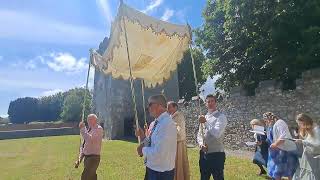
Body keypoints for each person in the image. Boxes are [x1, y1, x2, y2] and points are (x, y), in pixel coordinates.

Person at [136, 94, 177, 180]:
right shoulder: (155, 123)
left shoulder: (167, 124)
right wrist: (142, 135)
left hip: (161, 173)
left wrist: (142, 150)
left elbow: (159, 153)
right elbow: (151, 142)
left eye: (150, 104)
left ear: (159, 106)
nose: (148, 107)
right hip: (153, 168)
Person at [197, 94, 228, 180]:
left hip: (216, 154)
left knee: (218, 177)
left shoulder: (221, 117)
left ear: (215, 103)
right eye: (208, 102)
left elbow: (217, 133)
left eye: (212, 101)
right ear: (206, 104)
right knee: (204, 177)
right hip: (204, 154)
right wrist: (200, 144)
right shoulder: (204, 117)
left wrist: (205, 122)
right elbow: (199, 134)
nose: (210, 103)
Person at [263, 112, 298, 180]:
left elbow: (283, 136)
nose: (266, 122)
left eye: (266, 120)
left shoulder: (280, 123)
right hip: (276, 151)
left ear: (269, 119)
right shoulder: (271, 125)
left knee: (289, 170)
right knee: (277, 171)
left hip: (285, 150)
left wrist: (275, 144)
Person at [167, 101, 190, 180]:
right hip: (172, 144)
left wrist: (172, 125)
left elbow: (179, 130)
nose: (168, 109)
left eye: (170, 107)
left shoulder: (179, 116)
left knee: (178, 164)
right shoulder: (170, 116)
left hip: (178, 143)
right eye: (167, 107)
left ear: (175, 107)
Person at [293, 113, 320, 180]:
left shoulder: (316, 129)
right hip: (307, 156)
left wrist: (303, 141)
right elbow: (308, 141)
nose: (299, 125)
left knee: (313, 175)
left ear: (304, 121)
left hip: (314, 158)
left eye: (299, 123)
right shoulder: (308, 129)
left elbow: (317, 144)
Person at [78, 114, 104, 180]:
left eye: (89, 120)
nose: (87, 121)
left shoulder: (99, 129)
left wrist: (83, 129)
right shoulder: (89, 129)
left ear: (95, 120)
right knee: (92, 176)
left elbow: (90, 139)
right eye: (87, 119)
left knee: (85, 177)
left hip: (93, 158)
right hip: (87, 158)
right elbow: (84, 144)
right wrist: (79, 159)